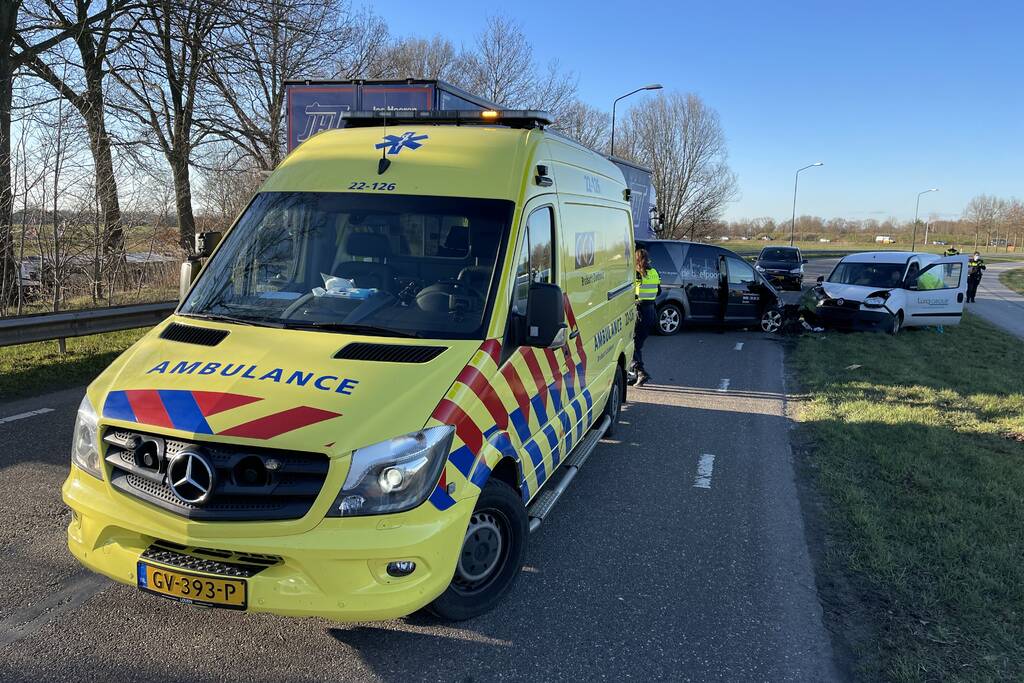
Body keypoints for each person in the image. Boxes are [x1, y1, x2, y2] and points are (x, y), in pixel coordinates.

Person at [629, 246, 660, 387]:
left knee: (633, 345)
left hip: (640, 311)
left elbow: (632, 293)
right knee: (637, 346)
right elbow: (658, 291)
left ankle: (640, 373)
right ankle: (635, 375)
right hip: (652, 312)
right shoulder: (654, 272)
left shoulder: (636, 274)